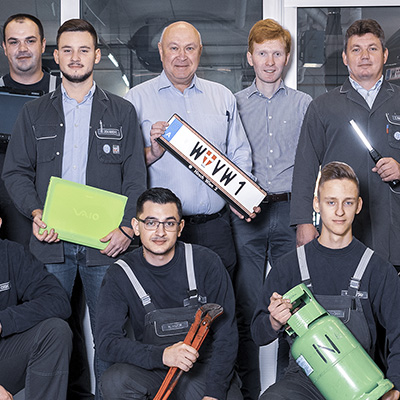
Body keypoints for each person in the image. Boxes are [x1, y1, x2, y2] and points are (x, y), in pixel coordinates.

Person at [1, 19, 147, 399]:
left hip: (105, 246)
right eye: (67, 50)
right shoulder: (33, 113)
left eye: (84, 50)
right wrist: (36, 213)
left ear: (97, 55)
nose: (75, 57)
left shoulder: (122, 112)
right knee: (49, 333)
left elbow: (135, 178)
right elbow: (15, 171)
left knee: (109, 337)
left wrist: (127, 229)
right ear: (56, 55)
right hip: (51, 243)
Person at [252, 161, 400, 400]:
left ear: (358, 205)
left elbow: (399, 332)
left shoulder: (377, 269)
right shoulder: (289, 266)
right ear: (316, 204)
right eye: (331, 202)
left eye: (347, 202)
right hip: (304, 381)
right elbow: (258, 334)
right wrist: (274, 321)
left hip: (360, 383)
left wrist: (396, 387)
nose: (339, 212)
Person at [124, 21, 255, 277]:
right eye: (174, 48)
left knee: (219, 296)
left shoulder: (222, 97)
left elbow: (239, 153)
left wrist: (242, 196)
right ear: (161, 50)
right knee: (166, 297)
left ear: (200, 51)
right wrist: (152, 152)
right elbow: (125, 167)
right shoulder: (135, 100)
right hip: (162, 230)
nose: (182, 56)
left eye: (190, 48)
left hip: (215, 227)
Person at [95, 187, 241, 400]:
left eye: (169, 223)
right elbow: (107, 343)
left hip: (204, 373)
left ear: (180, 227)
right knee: (115, 380)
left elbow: (227, 334)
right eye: (151, 222)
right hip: (154, 371)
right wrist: (163, 355)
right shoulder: (120, 273)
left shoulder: (206, 262)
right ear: (136, 226)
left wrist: (214, 393)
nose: (160, 232)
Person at [231, 19, 312, 399]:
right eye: (262, 53)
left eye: (276, 53)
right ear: (250, 57)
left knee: (289, 305)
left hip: (290, 212)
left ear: (287, 57)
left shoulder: (303, 104)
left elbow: (311, 164)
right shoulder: (233, 104)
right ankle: (248, 392)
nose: (269, 61)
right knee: (248, 305)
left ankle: (286, 390)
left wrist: (306, 217)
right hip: (245, 215)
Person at [291, 19, 400, 268]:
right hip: (341, 230)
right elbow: (305, 168)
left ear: (384, 55)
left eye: (372, 48)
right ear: (344, 57)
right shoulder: (322, 107)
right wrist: (303, 222)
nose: (364, 56)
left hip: (394, 228)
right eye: (356, 49)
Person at [0, 13, 61, 248]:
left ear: (43, 45)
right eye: (14, 42)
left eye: (30, 40)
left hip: (56, 211)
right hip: (7, 213)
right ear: (4, 48)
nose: (22, 49)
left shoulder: (65, 93)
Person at [0, 216, 72, 400]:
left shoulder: (11, 253)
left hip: (5, 355)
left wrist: (3, 321)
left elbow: (58, 301)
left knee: (55, 331)